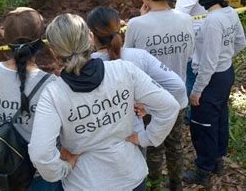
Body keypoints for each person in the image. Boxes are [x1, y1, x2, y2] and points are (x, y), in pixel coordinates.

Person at [29, 13, 179, 191]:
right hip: (131, 175)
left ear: (54, 53)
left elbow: (40, 154)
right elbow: (169, 106)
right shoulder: (123, 70)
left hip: (85, 182)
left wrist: (62, 169)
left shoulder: (53, 94)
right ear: (90, 38)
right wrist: (147, 138)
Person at [124, 0, 194, 191]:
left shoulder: (136, 24)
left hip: (148, 101)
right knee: (175, 146)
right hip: (177, 96)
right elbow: (190, 55)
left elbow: (126, 60)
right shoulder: (186, 20)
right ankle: (176, 186)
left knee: (152, 147)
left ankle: (153, 186)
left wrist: (143, 20)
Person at [0, 7, 63, 191]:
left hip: (2, 167)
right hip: (38, 173)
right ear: (41, 41)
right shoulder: (50, 83)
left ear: (6, 40)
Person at [183, 0, 246, 187]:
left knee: (202, 124)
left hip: (211, 79)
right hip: (226, 74)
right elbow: (241, 42)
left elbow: (208, 63)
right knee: (219, 117)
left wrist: (197, 91)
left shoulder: (212, 21)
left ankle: (204, 170)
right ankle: (217, 160)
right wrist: (225, 57)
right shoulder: (230, 13)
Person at [175, 0, 212, 124]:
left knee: (191, 77)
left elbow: (179, 18)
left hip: (195, 41)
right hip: (214, 36)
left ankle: (190, 116)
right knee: (208, 73)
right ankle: (205, 108)